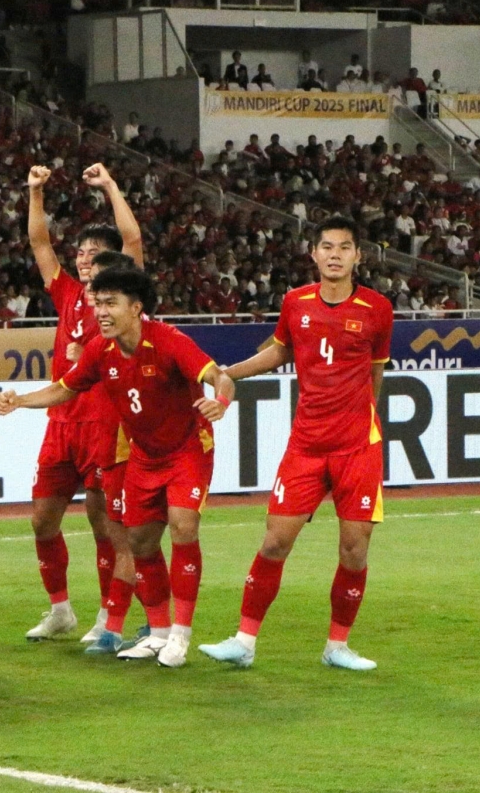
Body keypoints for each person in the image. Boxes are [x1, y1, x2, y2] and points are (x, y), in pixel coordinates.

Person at [0, 265, 234, 668]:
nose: (101, 312)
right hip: (143, 456)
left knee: (183, 526)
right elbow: (64, 389)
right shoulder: (99, 350)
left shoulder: (169, 341)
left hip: (187, 450)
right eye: (98, 303)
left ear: (136, 307)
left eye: (111, 303)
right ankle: (159, 632)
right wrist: (21, 401)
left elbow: (220, 376)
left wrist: (221, 402)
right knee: (139, 542)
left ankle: (180, 635)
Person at [199, 216, 394, 671]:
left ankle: (337, 647)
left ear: (358, 256)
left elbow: (376, 370)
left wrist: (362, 417)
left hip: (357, 447)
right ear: (314, 253)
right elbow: (280, 350)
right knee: (274, 542)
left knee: (355, 549)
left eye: (344, 247)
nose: (334, 255)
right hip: (306, 445)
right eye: (327, 246)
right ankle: (244, 642)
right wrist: (230, 373)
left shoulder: (378, 308)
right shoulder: (295, 302)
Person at [21, 162, 144, 645]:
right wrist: (35, 192)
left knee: (104, 523)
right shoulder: (69, 293)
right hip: (62, 421)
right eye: (81, 252)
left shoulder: (120, 298)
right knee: (41, 519)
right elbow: (39, 243)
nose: (85, 259)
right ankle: (60, 610)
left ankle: (108, 616)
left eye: (95, 253)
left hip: (104, 423)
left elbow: (132, 239)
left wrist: (110, 185)